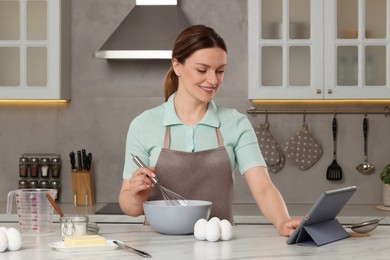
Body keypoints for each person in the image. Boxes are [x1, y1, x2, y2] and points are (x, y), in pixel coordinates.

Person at [119, 24, 300, 237]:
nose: (213, 80)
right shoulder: (144, 124)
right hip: (160, 248)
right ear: (177, 66)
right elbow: (129, 207)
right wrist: (137, 196)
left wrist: (282, 221)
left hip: (219, 247)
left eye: (220, 71)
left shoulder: (235, 123)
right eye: (202, 70)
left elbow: (262, 187)